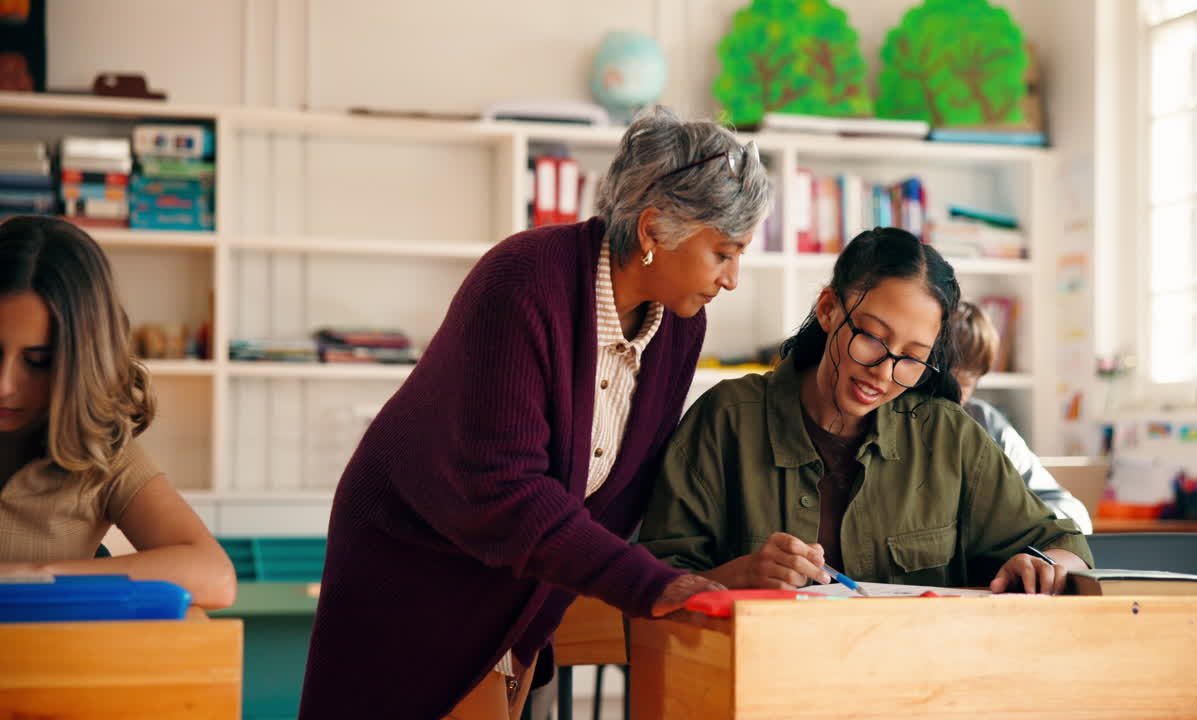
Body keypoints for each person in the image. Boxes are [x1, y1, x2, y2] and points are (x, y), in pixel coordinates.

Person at [299, 107, 772, 720]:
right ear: (654, 229)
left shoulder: (680, 324)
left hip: (520, 586)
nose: (732, 279)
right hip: (420, 570)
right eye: (724, 253)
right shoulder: (522, 281)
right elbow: (507, 488)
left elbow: (617, 496)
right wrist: (650, 583)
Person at [638, 227, 1091, 598]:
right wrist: (739, 577)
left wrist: (1044, 565)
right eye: (872, 338)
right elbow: (656, 581)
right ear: (828, 309)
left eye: (912, 357)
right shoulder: (726, 420)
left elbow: (1064, 544)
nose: (884, 373)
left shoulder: (949, 437)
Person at [0, 216, 236, 609]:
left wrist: (31, 576)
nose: (4, 385)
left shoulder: (101, 454)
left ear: (80, 365)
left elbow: (215, 577)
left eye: (39, 361)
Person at [950, 300, 1094, 533]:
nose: (947, 397)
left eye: (962, 386)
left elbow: (1072, 513)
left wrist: (1013, 517)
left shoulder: (986, 423)